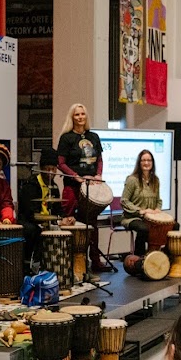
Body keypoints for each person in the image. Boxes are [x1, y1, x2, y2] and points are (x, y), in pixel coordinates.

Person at [57, 103, 109, 272]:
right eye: (77, 114)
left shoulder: (94, 137)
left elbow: (99, 159)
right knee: (71, 222)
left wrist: (98, 176)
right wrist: (77, 177)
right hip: (72, 186)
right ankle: (71, 261)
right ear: (72, 117)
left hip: (91, 185)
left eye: (82, 114)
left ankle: (95, 260)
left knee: (91, 224)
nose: (80, 117)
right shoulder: (66, 138)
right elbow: (61, 163)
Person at [18, 148, 71, 265]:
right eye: (48, 169)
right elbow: (29, 212)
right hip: (30, 222)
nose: (51, 173)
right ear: (41, 168)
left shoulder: (55, 187)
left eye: (53, 169)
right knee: (33, 230)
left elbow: (58, 208)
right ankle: (31, 263)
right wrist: (49, 220)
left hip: (47, 221)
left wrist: (65, 217)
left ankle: (59, 264)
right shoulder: (31, 185)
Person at [120, 149, 163, 256]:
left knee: (174, 226)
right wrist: (141, 211)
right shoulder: (132, 180)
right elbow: (124, 201)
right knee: (143, 228)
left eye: (149, 160)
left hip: (150, 218)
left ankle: (165, 258)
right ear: (139, 163)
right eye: (143, 160)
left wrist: (157, 209)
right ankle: (139, 259)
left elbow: (158, 200)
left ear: (152, 163)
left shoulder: (155, 180)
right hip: (132, 217)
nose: (146, 163)